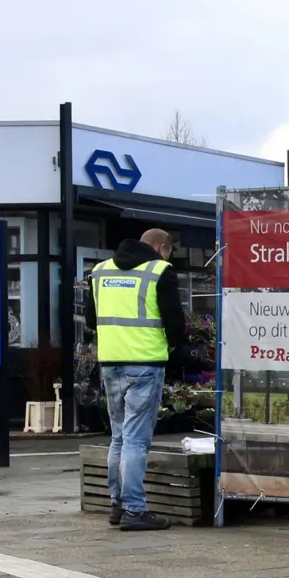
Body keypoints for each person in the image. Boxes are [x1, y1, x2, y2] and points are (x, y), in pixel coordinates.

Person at [91, 227, 187, 531]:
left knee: (118, 436)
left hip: (110, 362)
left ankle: (117, 505)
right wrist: (176, 347)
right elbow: (175, 322)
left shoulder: (100, 271)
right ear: (162, 249)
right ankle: (135, 509)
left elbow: (98, 317)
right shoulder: (160, 271)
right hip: (145, 364)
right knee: (135, 439)